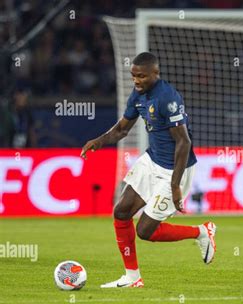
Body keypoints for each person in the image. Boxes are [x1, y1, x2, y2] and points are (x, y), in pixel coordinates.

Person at [81, 52, 216, 288]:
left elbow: (184, 143)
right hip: (151, 161)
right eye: (133, 76)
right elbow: (122, 129)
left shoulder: (168, 98)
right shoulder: (139, 94)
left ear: (155, 74)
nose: (136, 80)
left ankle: (201, 232)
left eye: (141, 76)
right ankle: (132, 278)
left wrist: (175, 186)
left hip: (175, 170)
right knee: (121, 211)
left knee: (145, 231)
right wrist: (99, 140)